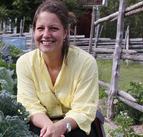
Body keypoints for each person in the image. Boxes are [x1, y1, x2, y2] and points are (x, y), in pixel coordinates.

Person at [16, 0, 102, 137]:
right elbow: (29, 105)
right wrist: (51, 128)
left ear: (65, 32)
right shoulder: (24, 63)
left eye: (53, 28)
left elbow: (84, 109)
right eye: (40, 28)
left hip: (74, 125)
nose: (46, 34)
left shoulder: (85, 63)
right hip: (41, 124)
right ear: (34, 31)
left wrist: (63, 126)